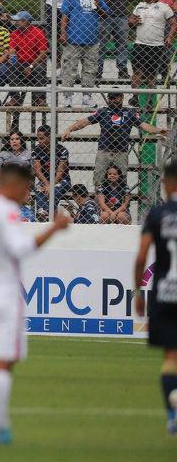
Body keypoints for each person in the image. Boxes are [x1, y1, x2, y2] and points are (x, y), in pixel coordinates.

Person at [0, 163, 71, 448]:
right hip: (3, 294)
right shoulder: (7, 211)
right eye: (27, 189)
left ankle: (0, 425)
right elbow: (21, 248)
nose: (28, 195)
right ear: (17, 185)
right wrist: (55, 228)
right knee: (3, 362)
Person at [132, 159, 177, 437]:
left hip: (164, 292)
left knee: (171, 357)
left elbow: (141, 256)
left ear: (169, 183)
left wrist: (138, 292)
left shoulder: (157, 214)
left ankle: (172, 416)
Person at [62, 90, 167, 187]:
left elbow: (143, 125)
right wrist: (69, 129)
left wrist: (159, 130)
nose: (112, 100)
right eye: (110, 98)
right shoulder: (102, 112)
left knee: (121, 182)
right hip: (104, 151)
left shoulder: (130, 113)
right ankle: (100, 205)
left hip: (121, 152)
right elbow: (85, 121)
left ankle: (120, 203)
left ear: (122, 97)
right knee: (99, 181)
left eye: (115, 98)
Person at [59, 0, 107, 107]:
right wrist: (63, 34)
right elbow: (65, 16)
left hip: (92, 39)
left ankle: (87, 95)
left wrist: (98, 8)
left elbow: (105, 15)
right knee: (69, 68)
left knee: (90, 68)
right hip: (73, 39)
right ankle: (67, 97)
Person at [129, 0, 177, 96]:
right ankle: (135, 97)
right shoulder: (139, 5)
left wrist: (169, 37)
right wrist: (132, 22)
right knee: (137, 72)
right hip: (139, 44)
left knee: (151, 74)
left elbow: (174, 24)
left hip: (156, 46)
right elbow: (131, 21)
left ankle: (150, 98)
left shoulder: (164, 7)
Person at [94, 0, 136, 77]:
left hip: (121, 15)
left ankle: (122, 70)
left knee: (122, 44)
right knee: (101, 44)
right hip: (103, 16)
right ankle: (98, 70)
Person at [5, 11, 48, 107]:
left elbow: (43, 53)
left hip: (35, 63)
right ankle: (15, 97)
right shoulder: (14, 33)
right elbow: (12, 49)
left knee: (40, 69)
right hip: (20, 62)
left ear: (26, 22)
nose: (15, 22)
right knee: (10, 67)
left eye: (18, 21)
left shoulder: (38, 32)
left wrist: (31, 66)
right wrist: (11, 57)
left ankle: (40, 98)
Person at [31, 124, 71, 218]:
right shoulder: (36, 150)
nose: (39, 141)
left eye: (41, 138)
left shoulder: (62, 150)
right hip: (45, 181)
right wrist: (47, 184)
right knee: (38, 189)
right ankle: (45, 213)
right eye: (38, 138)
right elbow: (37, 170)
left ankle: (46, 213)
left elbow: (60, 172)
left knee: (54, 190)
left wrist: (51, 185)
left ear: (49, 137)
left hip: (62, 180)